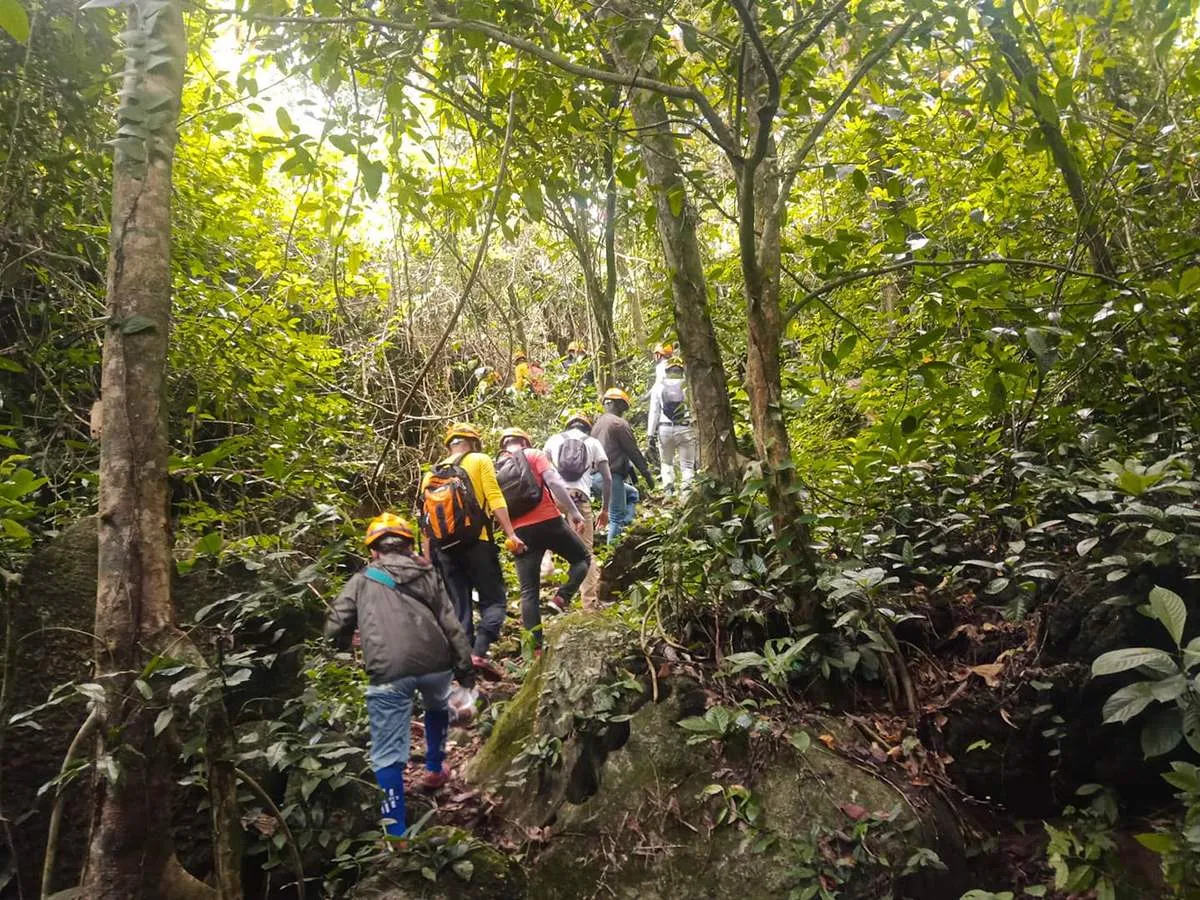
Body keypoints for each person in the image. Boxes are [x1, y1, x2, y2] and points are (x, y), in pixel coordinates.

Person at [324, 514, 475, 838]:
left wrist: (339, 649)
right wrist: (465, 668)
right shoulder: (428, 573)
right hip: (436, 664)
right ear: (409, 547)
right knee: (436, 706)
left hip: (389, 670)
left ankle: (396, 833)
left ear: (374, 551)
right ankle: (434, 768)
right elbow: (450, 623)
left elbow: (336, 623)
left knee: (387, 752)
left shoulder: (362, 579)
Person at [419, 423, 527, 671]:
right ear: (474, 443)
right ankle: (479, 652)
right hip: (478, 542)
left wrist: (426, 558)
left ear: (449, 445)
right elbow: (494, 496)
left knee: (460, 608)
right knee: (495, 601)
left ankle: (463, 668)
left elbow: (424, 519)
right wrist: (511, 533)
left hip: (444, 548)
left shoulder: (431, 473)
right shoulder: (479, 460)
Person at [495, 427, 589, 647]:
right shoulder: (533, 454)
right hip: (550, 522)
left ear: (504, 446)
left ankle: (535, 649)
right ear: (525, 442)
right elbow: (554, 482)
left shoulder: (493, 469)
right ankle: (562, 598)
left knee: (529, 591)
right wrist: (574, 512)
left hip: (520, 532)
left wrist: (508, 532)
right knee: (582, 559)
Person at [544, 411, 612, 608]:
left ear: (568, 426)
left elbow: (543, 471)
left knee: (548, 540)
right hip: (579, 499)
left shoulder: (554, 440)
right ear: (587, 427)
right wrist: (605, 510)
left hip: (555, 497)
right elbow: (607, 478)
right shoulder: (593, 443)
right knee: (585, 552)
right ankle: (589, 604)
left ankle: (546, 563)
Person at [591, 388, 655, 543]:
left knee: (632, 494)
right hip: (611, 477)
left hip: (595, 478)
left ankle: (627, 526)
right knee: (616, 517)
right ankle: (611, 555)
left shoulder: (597, 425)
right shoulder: (618, 423)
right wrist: (646, 474)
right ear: (618, 405)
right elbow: (632, 451)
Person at [648, 357, 697, 493]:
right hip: (685, 428)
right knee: (687, 465)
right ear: (682, 370)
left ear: (667, 371)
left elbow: (654, 411)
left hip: (664, 429)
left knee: (666, 462)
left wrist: (650, 435)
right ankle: (686, 492)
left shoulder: (658, 387)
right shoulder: (689, 385)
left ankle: (669, 490)